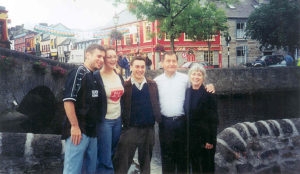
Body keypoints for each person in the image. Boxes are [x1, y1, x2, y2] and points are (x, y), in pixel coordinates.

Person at [154, 52, 215, 174]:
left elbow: (198, 84)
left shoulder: (185, 79)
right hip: (165, 124)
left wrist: (210, 86)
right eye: (168, 61)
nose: (171, 63)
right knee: (166, 157)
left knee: (183, 158)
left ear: (177, 63)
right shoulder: (156, 82)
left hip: (183, 124)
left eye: (173, 61)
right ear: (162, 63)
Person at [113, 56, 161, 174]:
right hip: (130, 129)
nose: (140, 70)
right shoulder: (125, 86)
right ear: (131, 67)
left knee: (145, 164)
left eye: (142, 67)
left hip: (148, 130)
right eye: (137, 67)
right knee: (122, 163)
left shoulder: (152, 85)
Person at [62, 44, 105, 174]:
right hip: (79, 132)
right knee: (72, 169)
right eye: (98, 56)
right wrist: (74, 126)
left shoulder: (94, 75)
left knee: (90, 170)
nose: (101, 60)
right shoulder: (78, 72)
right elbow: (68, 101)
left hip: (92, 132)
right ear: (88, 55)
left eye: (103, 57)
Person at [93, 47, 124, 174]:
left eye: (114, 56)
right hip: (104, 120)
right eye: (109, 57)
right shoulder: (96, 76)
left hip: (117, 119)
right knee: (105, 155)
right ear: (104, 59)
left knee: (112, 151)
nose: (112, 59)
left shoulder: (118, 75)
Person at [184, 64, 218, 174]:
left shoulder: (208, 93)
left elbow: (214, 119)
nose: (196, 77)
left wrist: (210, 140)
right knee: (195, 166)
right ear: (190, 76)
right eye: (193, 74)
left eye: (199, 75)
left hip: (205, 137)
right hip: (191, 137)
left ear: (203, 77)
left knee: (207, 166)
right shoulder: (187, 92)